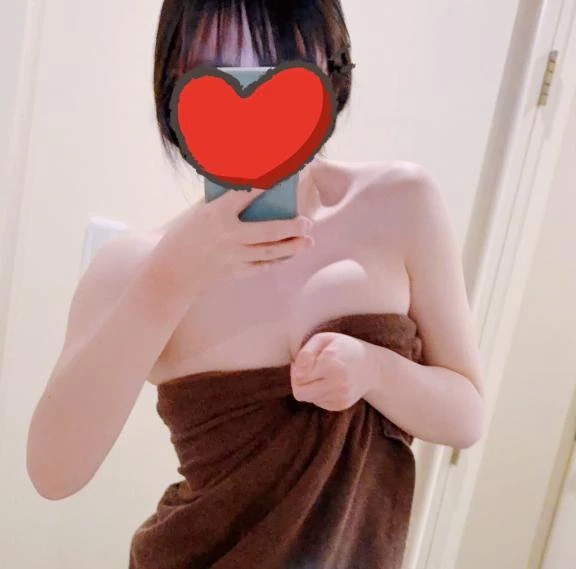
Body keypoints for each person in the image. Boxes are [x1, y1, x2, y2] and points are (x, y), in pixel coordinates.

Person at [26, 1, 485, 567]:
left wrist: (374, 371)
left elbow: (466, 416)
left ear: (330, 64)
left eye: (278, 56)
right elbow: (53, 472)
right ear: (173, 84)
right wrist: (169, 280)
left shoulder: (399, 204)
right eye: (213, 63)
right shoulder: (135, 267)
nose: (248, 83)